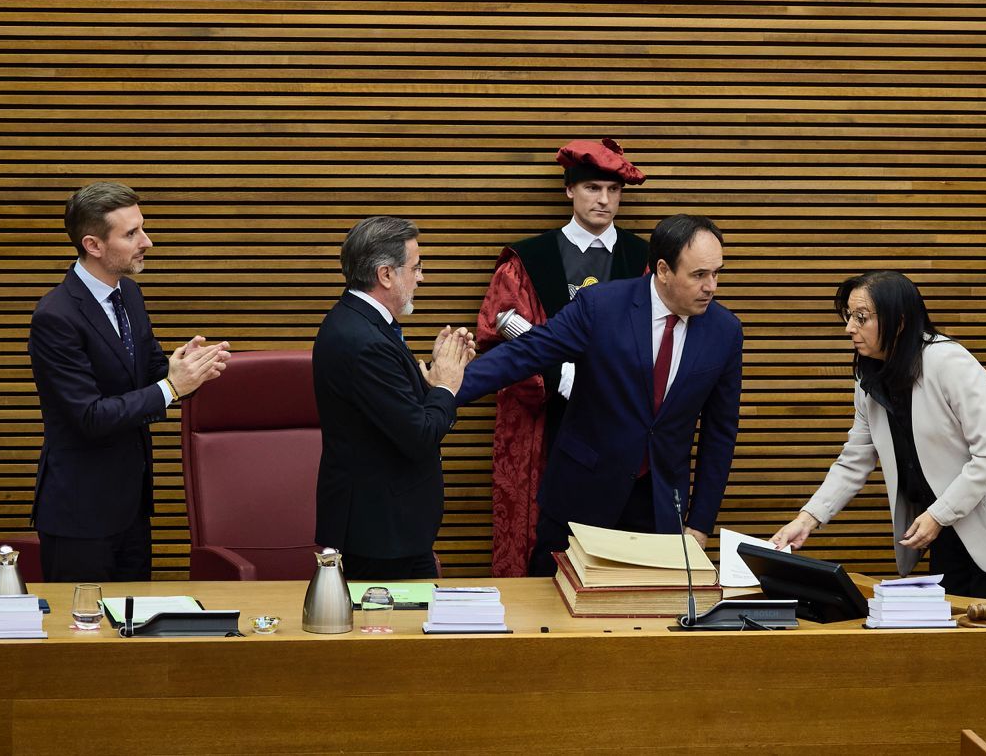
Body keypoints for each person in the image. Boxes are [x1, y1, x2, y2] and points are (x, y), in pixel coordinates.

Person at [458, 214, 742, 577]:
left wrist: (700, 524)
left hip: (656, 507)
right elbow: (527, 353)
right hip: (580, 498)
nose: (711, 286)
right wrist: (448, 388)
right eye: (699, 275)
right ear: (663, 270)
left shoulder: (725, 332)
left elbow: (720, 434)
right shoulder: (602, 306)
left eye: (717, 273)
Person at [770, 271, 986, 600]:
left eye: (861, 318)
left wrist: (937, 515)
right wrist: (807, 519)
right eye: (849, 316)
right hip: (947, 529)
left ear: (900, 321)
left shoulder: (950, 362)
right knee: (953, 641)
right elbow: (853, 461)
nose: (849, 327)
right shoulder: (870, 377)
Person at [28, 182, 230, 581]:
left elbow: (150, 371)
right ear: (94, 245)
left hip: (131, 507)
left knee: (131, 633)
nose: (147, 242)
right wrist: (171, 387)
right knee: (82, 636)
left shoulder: (130, 295)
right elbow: (88, 415)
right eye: (132, 233)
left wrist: (186, 366)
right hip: (79, 516)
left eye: (143, 228)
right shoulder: (56, 317)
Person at [473, 137, 650, 575]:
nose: (604, 200)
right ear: (569, 190)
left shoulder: (647, 261)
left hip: (619, 422)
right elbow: (498, 327)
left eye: (613, 190)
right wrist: (559, 375)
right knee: (544, 543)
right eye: (592, 188)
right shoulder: (528, 260)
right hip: (545, 423)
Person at [312, 216, 475, 580]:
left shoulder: (361, 323)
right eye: (416, 268)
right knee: (392, 635)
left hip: (390, 528)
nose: (421, 278)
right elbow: (417, 436)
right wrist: (446, 386)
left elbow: (394, 414)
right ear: (386, 274)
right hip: (380, 534)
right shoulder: (364, 341)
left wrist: (430, 387)